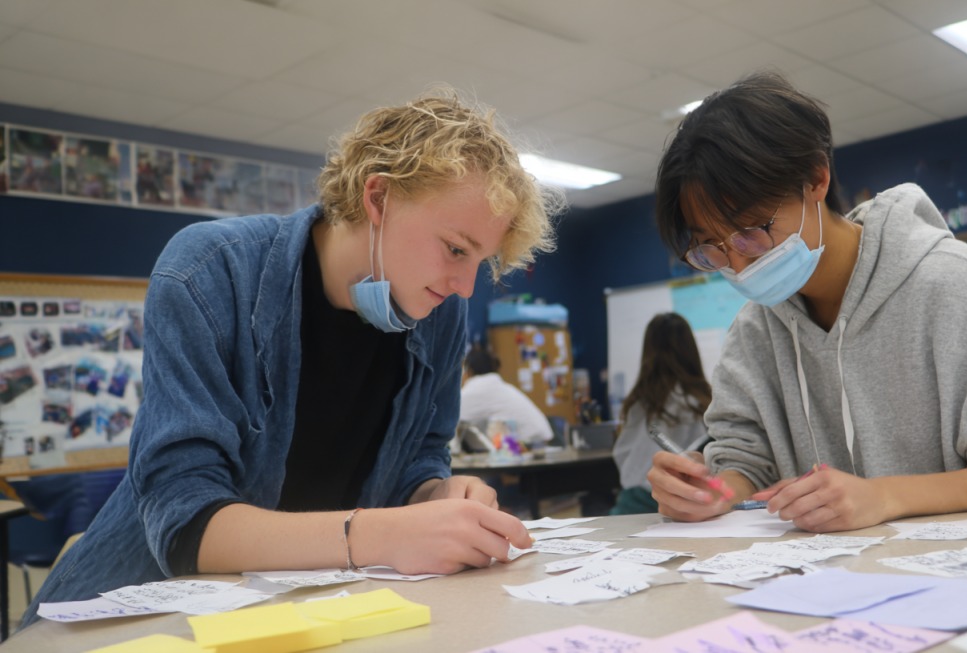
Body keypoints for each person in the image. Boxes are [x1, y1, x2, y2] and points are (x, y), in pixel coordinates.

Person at [24, 88, 561, 625]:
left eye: (481, 262)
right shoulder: (210, 272)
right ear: (379, 198)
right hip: (143, 614)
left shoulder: (437, 312)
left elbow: (418, 458)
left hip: (312, 612)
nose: (466, 287)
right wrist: (382, 534)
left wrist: (439, 493)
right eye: (455, 249)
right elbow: (186, 525)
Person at [647, 71, 967, 533]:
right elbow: (746, 459)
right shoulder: (756, 327)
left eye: (753, 231)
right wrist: (710, 492)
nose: (739, 263)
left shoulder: (950, 283)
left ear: (815, 178)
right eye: (712, 248)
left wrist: (884, 496)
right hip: (829, 585)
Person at [611, 313, 711, 515]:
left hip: (631, 501)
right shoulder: (699, 401)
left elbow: (622, 455)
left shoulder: (638, 401)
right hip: (679, 500)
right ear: (690, 350)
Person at [459, 345, 553, 446]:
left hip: (531, 444)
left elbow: (453, 417)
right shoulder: (495, 385)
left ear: (469, 370)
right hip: (543, 440)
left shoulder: (478, 388)